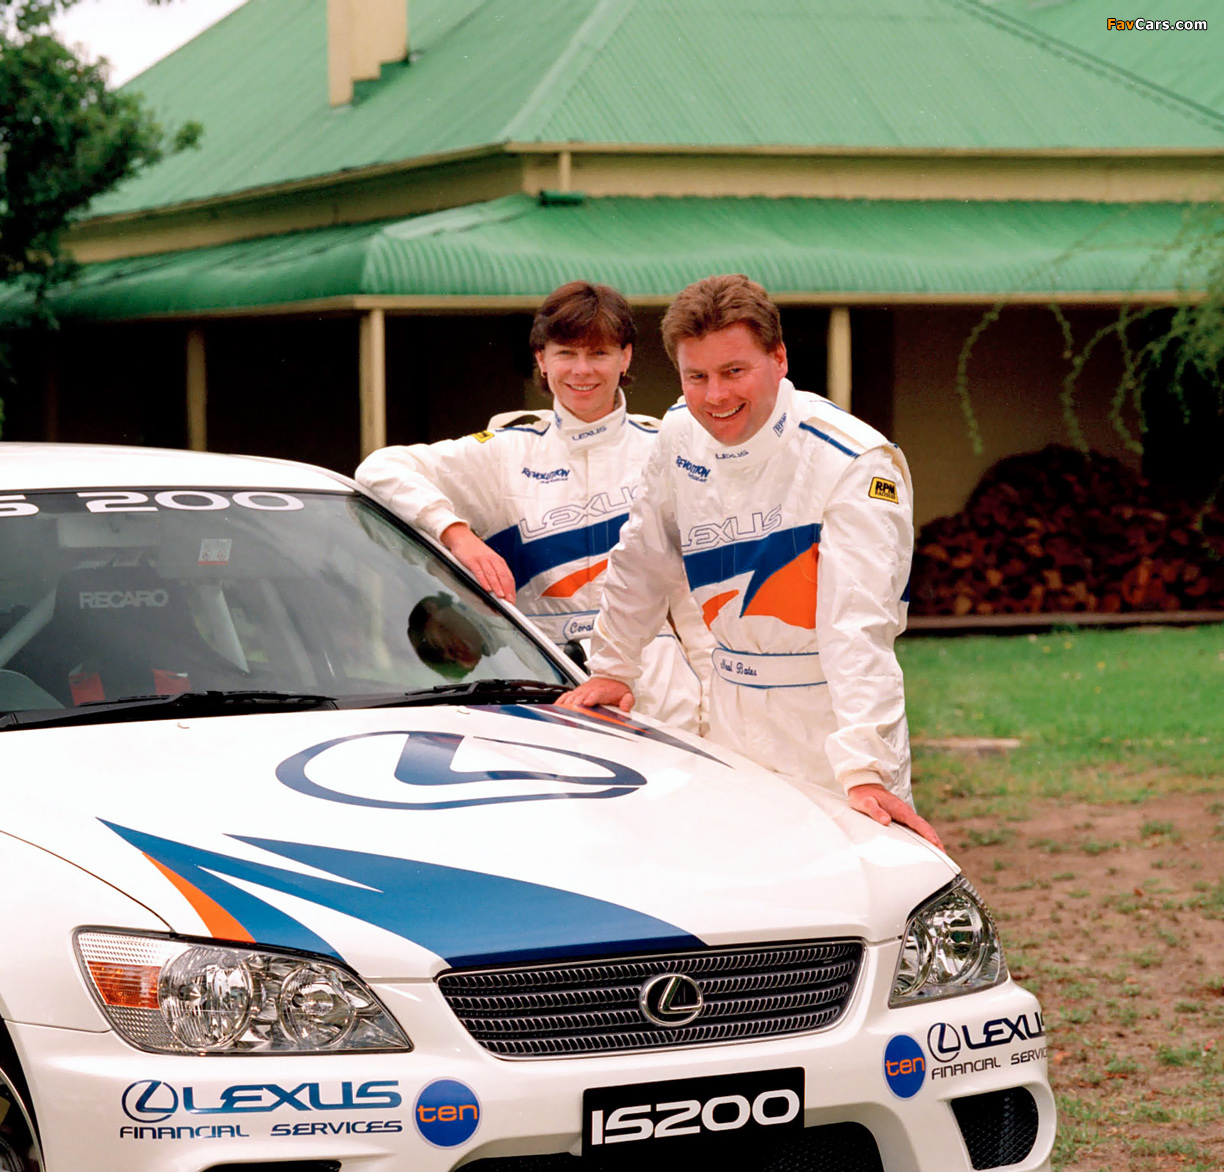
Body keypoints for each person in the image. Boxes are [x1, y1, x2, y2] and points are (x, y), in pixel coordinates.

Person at [562, 273, 941, 847]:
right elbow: (643, 557)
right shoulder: (679, 434)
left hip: (827, 724)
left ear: (779, 359)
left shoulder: (853, 460)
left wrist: (866, 767)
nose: (715, 396)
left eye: (734, 371)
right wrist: (613, 668)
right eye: (697, 376)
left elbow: (858, 628)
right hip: (727, 712)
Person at [356, 281, 709, 734]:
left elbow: (700, 606)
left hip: (661, 695)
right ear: (541, 359)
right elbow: (380, 468)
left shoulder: (668, 446)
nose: (582, 370)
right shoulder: (505, 451)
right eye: (566, 353)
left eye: (599, 353)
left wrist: (712, 711)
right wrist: (457, 535)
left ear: (625, 358)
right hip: (545, 689)